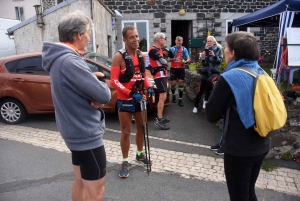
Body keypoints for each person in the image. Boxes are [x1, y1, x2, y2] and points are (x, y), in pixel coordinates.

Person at [42, 11, 111, 201]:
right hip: (86, 135)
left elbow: (75, 86)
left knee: (80, 181)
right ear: (79, 35)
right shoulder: (70, 61)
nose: (89, 38)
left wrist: (91, 80)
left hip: (74, 133)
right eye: (88, 33)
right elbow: (104, 94)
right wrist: (101, 86)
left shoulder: (59, 59)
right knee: (96, 192)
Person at [205, 31, 271, 201]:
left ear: (233, 52)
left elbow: (211, 114)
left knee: (239, 197)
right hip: (262, 143)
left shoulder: (229, 77)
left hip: (239, 148)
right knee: (249, 191)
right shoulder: (260, 71)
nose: (224, 50)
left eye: (226, 47)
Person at [110, 25, 154, 178]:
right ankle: (125, 160)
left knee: (142, 127)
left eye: (136, 36)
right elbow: (114, 81)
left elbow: (143, 76)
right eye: (131, 37)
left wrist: (149, 88)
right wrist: (129, 93)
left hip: (140, 98)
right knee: (126, 131)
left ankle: (140, 154)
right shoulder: (119, 57)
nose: (136, 39)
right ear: (124, 39)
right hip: (125, 100)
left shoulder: (141, 55)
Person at [192, 36, 223, 113]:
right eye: (208, 41)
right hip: (205, 71)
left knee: (209, 81)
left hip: (214, 72)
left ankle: (206, 99)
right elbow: (204, 64)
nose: (208, 43)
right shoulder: (205, 50)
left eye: (210, 41)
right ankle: (195, 106)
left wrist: (214, 56)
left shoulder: (218, 50)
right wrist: (202, 58)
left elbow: (220, 61)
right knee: (201, 87)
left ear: (214, 42)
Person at [148, 32, 170, 130]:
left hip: (162, 75)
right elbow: (164, 62)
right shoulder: (153, 50)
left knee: (163, 96)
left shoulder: (159, 49)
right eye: (164, 38)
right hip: (158, 75)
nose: (165, 40)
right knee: (162, 96)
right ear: (159, 39)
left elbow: (170, 58)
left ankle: (160, 117)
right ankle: (159, 119)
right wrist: (165, 56)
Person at [169, 36, 190, 107]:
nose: (178, 45)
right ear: (175, 42)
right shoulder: (172, 49)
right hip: (173, 68)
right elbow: (168, 59)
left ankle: (180, 99)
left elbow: (188, 59)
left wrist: (184, 61)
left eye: (180, 43)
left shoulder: (184, 49)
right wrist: (173, 59)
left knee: (181, 82)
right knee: (173, 83)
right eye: (177, 43)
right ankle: (174, 95)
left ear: (182, 42)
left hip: (181, 68)